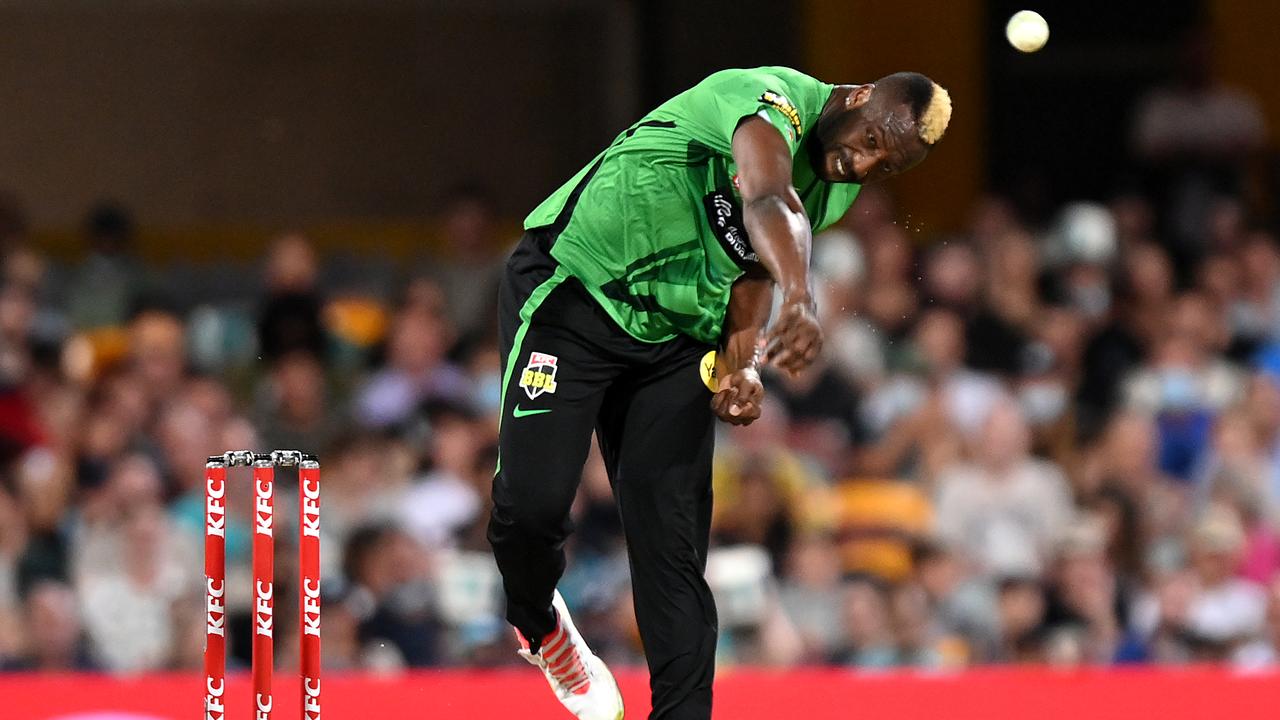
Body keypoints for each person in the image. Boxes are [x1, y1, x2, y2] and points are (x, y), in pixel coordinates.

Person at [487, 66, 950, 719]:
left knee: (672, 551)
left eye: (884, 163)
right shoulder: (768, 100)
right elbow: (766, 200)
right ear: (855, 98)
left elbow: (752, 265)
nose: (862, 162)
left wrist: (744, 363)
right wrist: (801, 294)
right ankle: (541, 630)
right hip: (576, 293)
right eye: (870, 138)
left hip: (678, 338)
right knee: (531, 511)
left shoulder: (840, 181)